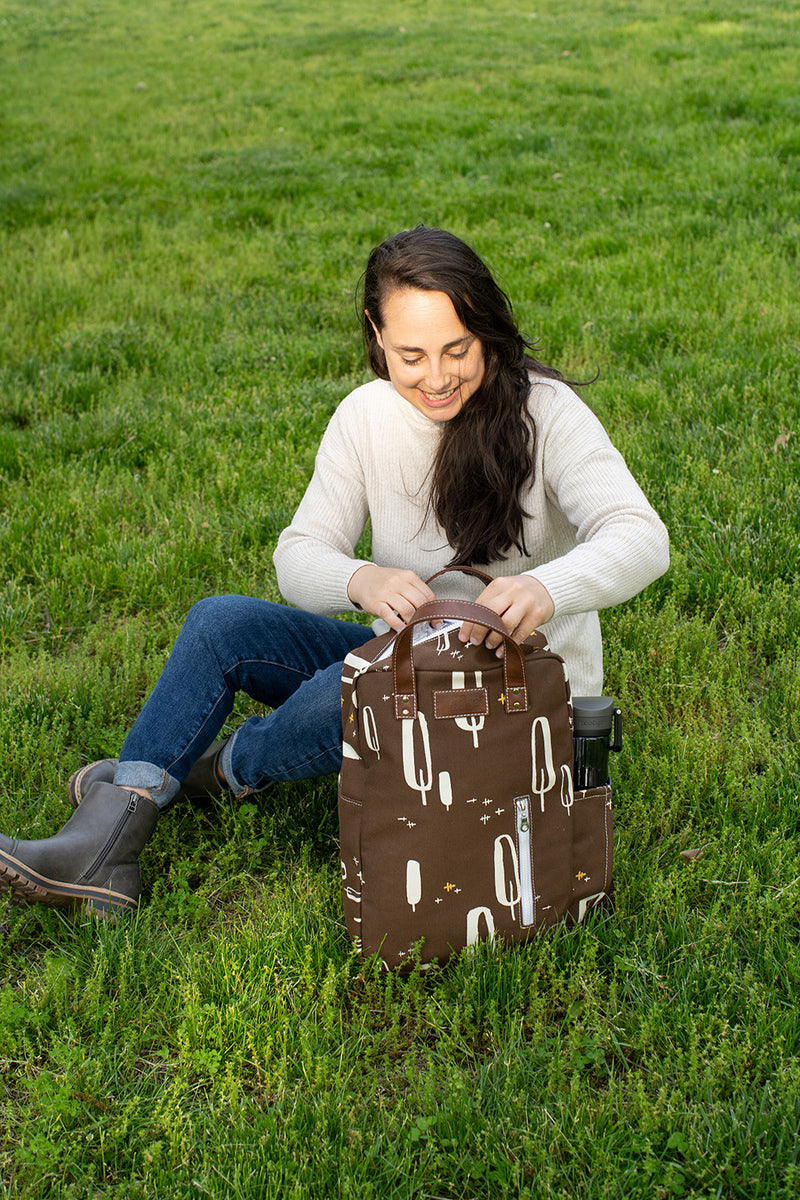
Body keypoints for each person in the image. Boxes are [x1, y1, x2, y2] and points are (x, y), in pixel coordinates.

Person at [0, 226, 669, 915]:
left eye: (458, 350)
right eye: (411, 355)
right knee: (220, 624)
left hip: (514, 702)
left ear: (487, 332)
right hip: (403, 669)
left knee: (356, 685)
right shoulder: (364, 417)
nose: (437, 377)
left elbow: (642, 536)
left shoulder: (547, 413)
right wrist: (362, 581)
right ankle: (111, 835)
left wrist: (543, 587)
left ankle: (215, 772)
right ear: (376, 336)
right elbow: (299, 552)